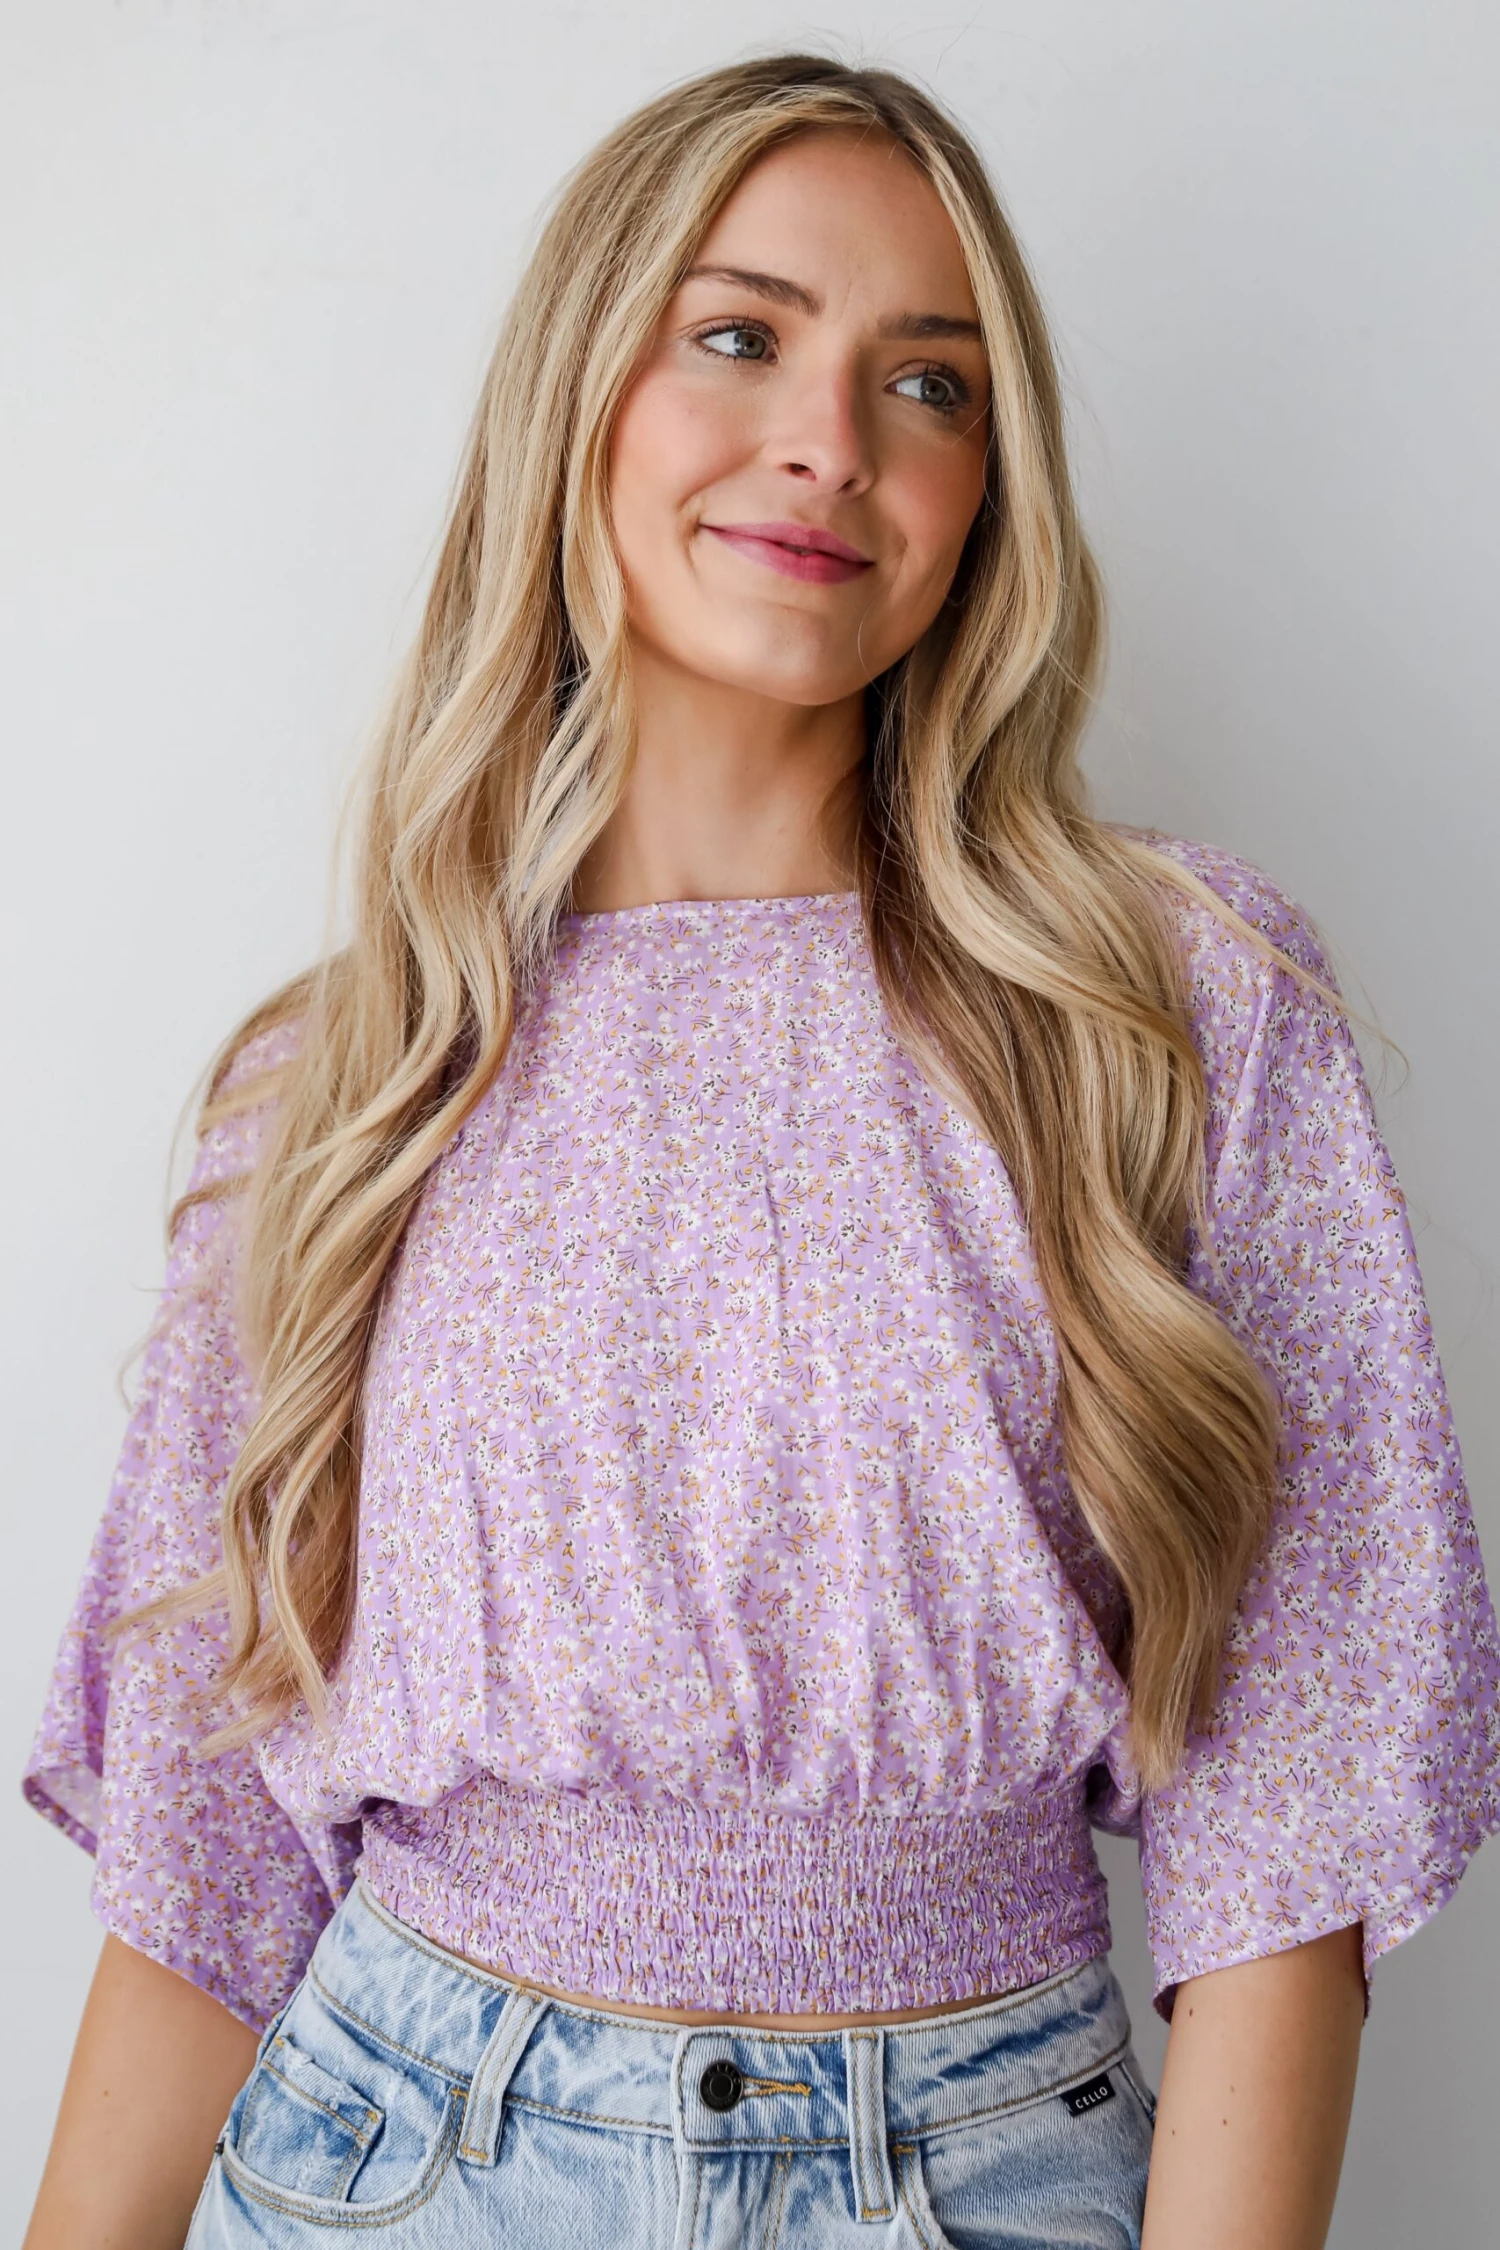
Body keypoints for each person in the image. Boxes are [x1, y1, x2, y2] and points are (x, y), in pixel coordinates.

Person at [20, 52, 1500, 2250]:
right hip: (393, 2161)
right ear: (582, 395)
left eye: (930, 384)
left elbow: (1294, 1795)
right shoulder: (350, 1083)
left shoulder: (1172, 1008)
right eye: (741, 336)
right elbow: (208, 1859)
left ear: (988, 492)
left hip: (984, 2166)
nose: (832, 441)